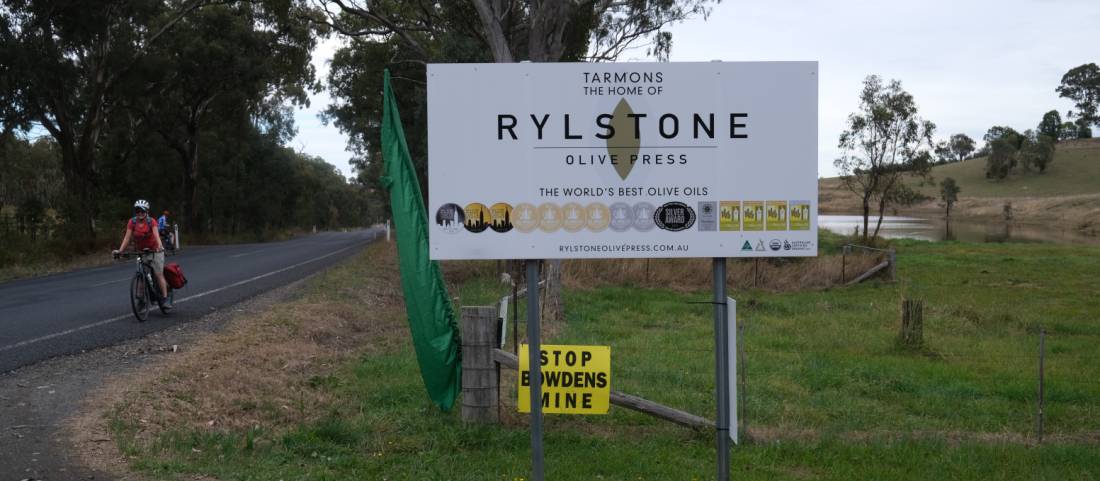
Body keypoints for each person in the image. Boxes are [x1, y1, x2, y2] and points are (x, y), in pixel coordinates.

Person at [113, 199, 171, 308]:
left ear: (147, 212)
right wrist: (120, 251)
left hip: (155, 250)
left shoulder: (151, 221)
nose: (140, 213)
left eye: (142, 211)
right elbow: (127, 237)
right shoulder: (132, 222)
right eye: (137, 211)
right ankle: (141, 300)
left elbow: (156, 235)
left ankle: (165, 298)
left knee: (158, 274)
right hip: (141, 251)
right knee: (141, 275)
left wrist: (160, 247)